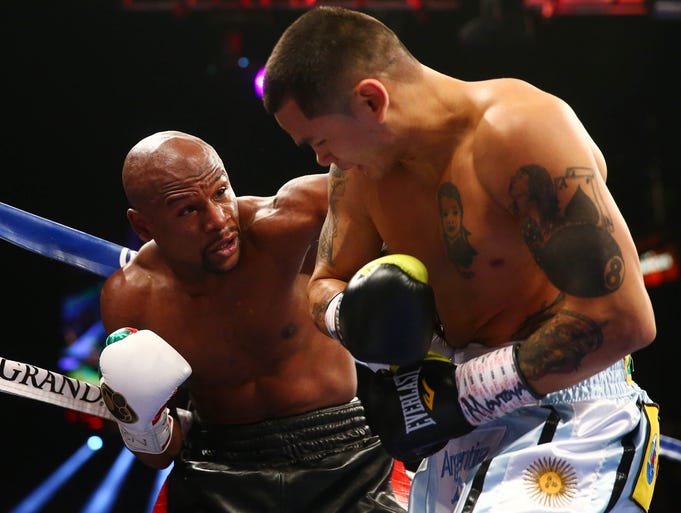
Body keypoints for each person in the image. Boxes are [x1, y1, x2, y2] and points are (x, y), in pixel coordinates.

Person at [262, 6, 660, 513]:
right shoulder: (358, 172)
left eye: (319, 140)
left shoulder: (518, 131)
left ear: (370, 100)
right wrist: (356, 321)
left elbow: (625, 319)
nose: (320, 161)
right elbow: (326, 282)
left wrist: (466, 391)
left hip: (570, 409)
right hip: (451, 427)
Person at [97, 130, 408, 513]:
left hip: (347, 454)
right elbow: (158, 455)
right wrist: (143, 425)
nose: (218, 219)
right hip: (217, 468)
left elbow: (408, 188)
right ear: (144, 226)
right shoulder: (130, 297)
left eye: (220, 192)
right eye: (187, 210)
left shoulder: (298, 219)